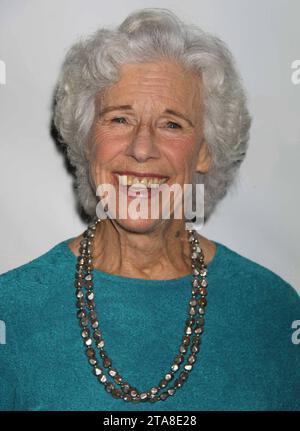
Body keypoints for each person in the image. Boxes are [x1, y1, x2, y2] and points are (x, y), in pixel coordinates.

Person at [0, 8, 299, 411]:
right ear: (87, 140)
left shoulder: (274, 311)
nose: (142, 148)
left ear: (206, 150)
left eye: (172, 124)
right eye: (120, 119)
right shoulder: (13, 310)